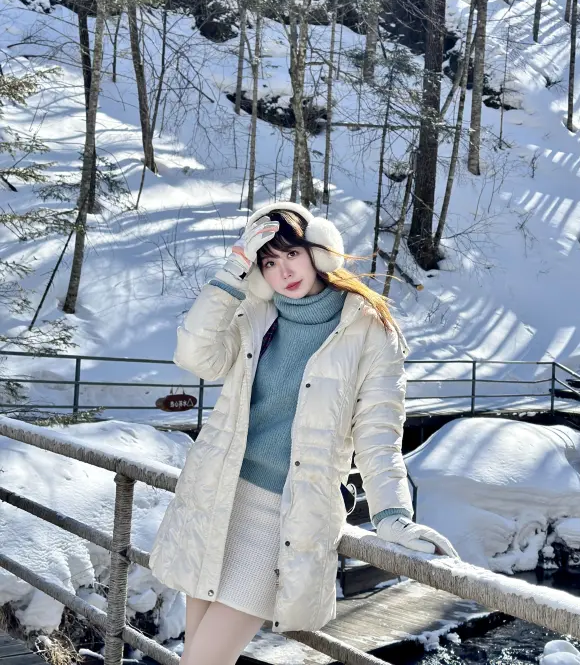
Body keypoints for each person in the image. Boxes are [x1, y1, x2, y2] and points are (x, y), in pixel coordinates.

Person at [149, 201, 458, 665]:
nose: (283, 271)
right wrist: (234, 268)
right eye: (268, 263)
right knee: (198, 655)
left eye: (291, 253)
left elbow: (379, 432)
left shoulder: (370, 331)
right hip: (217, 498)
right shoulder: (254, 314)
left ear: (319, 250)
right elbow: (196, 357)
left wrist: (392, 512)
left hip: (285, 516)